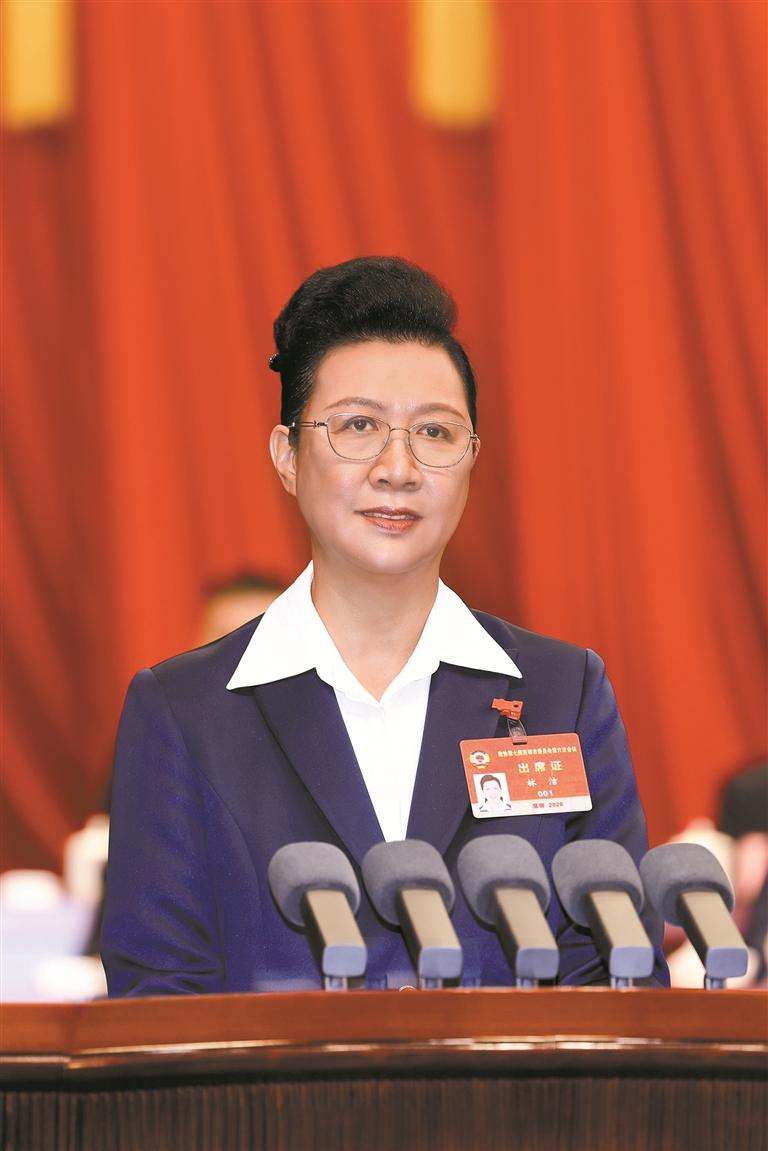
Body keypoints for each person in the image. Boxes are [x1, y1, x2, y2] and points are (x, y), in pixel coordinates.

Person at [101, 257, 668, 994]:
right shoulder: (185, 711)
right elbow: (157, 999)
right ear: (287, 458)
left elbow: (618, 977)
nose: (397, 467)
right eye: (359, 425)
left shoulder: (563, 692)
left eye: (435, 431)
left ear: (471, 460)